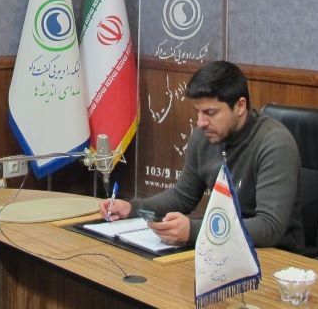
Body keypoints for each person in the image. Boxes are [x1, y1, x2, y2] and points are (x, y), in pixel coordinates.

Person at [100, 60, 304, 250]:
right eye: (198, 112)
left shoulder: (275, 143)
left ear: (240, 106)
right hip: (220, 246)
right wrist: (133, 208)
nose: (201, 122)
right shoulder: (204, 136)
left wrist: (194, 231)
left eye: (210, 113)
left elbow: (269, 228)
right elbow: (182, 197)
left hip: (274, 255)